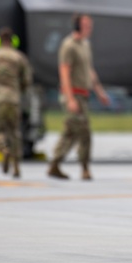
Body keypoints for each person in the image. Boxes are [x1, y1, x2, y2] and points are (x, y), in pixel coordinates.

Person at [48, 13, 110, 181]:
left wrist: (99, 92)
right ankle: (84, 168)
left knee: (71, 132)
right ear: (77, 26)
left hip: (83, 95)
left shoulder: (84, 45)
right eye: (86, 25)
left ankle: (55, 163)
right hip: (73, 95)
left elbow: (89, 70)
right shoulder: (69, 45)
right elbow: (64, 72)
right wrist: (70, 99)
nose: (89, 28)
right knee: (83, 133)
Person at [0, 27, 33, 178]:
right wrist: (18, 92)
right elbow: (27, 80)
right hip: (13, 99)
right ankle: (16, 167)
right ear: (12, 41)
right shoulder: (19, 57)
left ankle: (4, 150)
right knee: (14, 132)